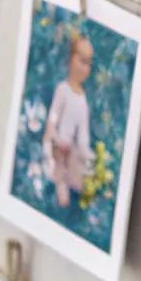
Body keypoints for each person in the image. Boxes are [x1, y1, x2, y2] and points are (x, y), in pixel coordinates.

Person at [42, 31, 93, 210]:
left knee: (80, 168)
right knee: (60, 156)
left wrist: (88, 157)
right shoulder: (62, 90)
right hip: (57, 144)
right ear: (71, 59)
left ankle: (71, 183)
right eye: (81, 61)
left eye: (88, 64)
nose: (85, 68)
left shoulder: (82, 100)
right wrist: (53, 136)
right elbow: (53, 119)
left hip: (70, 148)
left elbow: (83, 135)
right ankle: (60, 184)